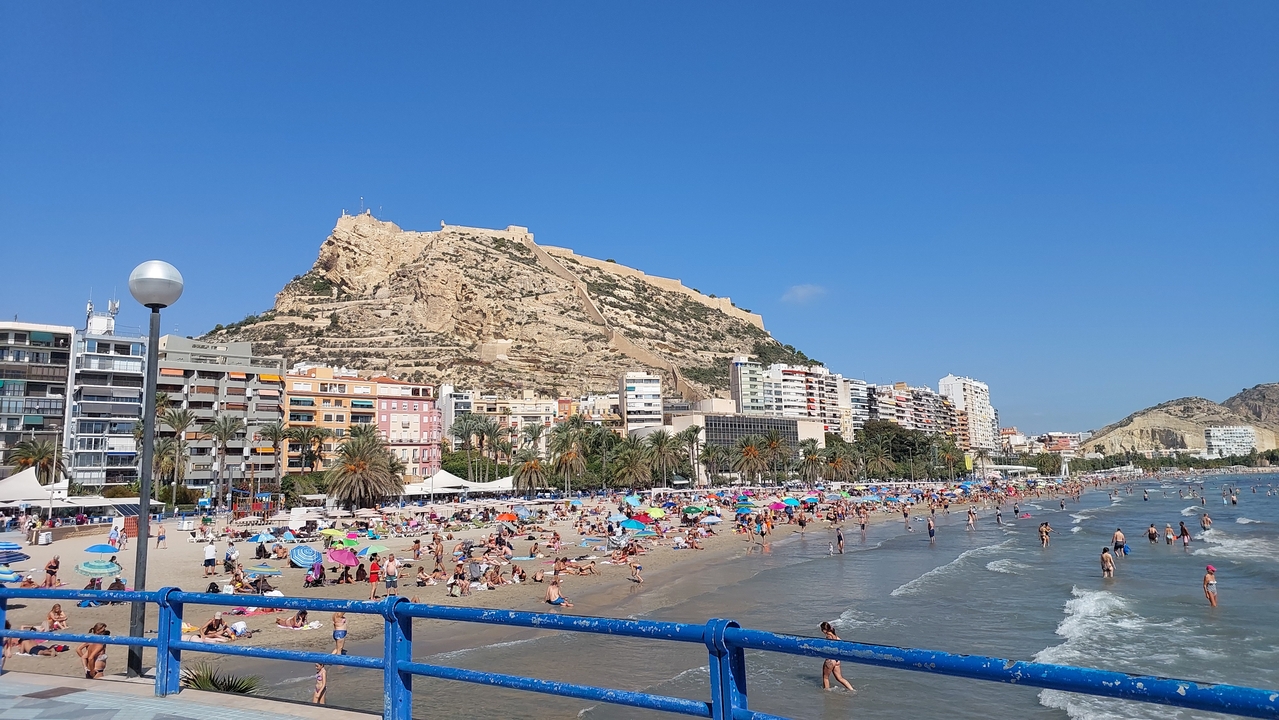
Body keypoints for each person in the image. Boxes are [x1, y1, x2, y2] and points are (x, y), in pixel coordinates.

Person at [819, 622, 855, 692]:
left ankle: (827, 693)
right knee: (839, 678)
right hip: (837, 660)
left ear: (824, 630)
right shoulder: (836, 636)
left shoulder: (828, 636)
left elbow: (829, 648)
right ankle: (852, 690)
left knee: (825, 678)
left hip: (830, 659)